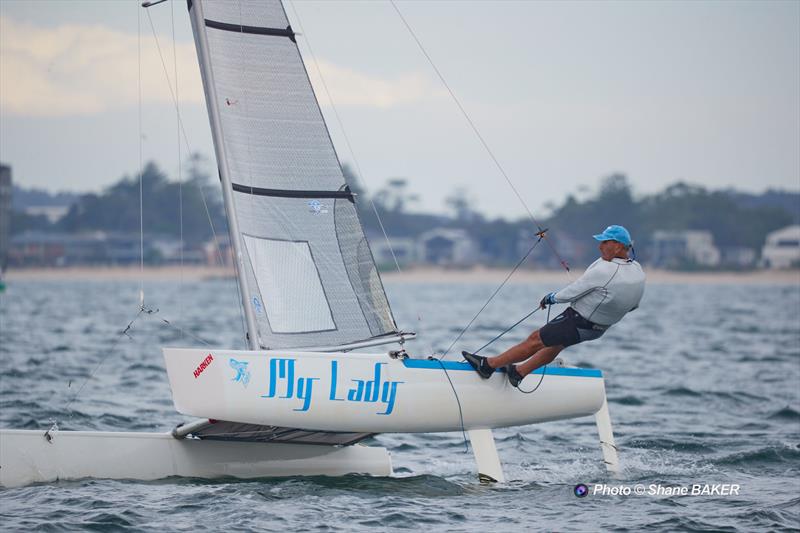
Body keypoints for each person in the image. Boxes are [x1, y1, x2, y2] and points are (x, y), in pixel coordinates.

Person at [463, 225, 645, 387]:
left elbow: (574, 291)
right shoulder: (637, 270)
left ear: (618, 246)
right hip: (597, 330)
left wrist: (551, 298)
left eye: (605, 242)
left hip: (577, 321)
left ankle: (488, 366)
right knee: (556, 344)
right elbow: (633, 305)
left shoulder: (606, 269)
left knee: (535, 340)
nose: (600, 246)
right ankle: (518, 373)